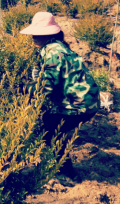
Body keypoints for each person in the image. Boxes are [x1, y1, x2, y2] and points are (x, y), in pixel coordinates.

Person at [20, 12, 100, 181]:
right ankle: (60, 166)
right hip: (86, 101)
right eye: (34, 33)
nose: (34, 37)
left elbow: (45, 87)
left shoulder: (54, 51)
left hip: (80, 104)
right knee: (51, 125)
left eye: (38, 34)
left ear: (49, 34)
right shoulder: (55, 47)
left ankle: (68, 172)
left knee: (49, 131)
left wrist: (23, 88)